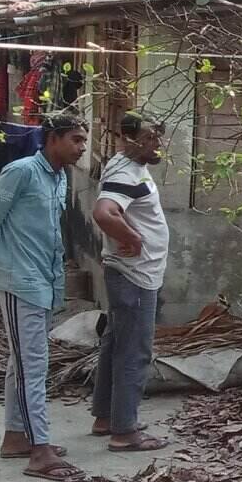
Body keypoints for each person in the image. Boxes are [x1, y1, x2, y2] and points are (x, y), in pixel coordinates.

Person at [0, 114, 88, 481]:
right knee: (31, 366)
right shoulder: (20, 172)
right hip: (19, 281)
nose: (82, 147)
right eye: (75, 139)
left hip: (43, 281)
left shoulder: (59, 177)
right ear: (52, 139)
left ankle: (16, 437)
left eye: (83, 140)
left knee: (22, 362)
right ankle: (40, 451)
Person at [90, 113, 170, 452]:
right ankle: (125, 432)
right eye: (149, 137)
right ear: (127, 138)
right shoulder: (124, 173)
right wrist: (133, 238)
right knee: (134, 350)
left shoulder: (129, 166)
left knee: (116, 343)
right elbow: (104, 212)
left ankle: (107, 417)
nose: (157, 143)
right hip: (135, 275)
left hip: (132, 273)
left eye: (159, 136)